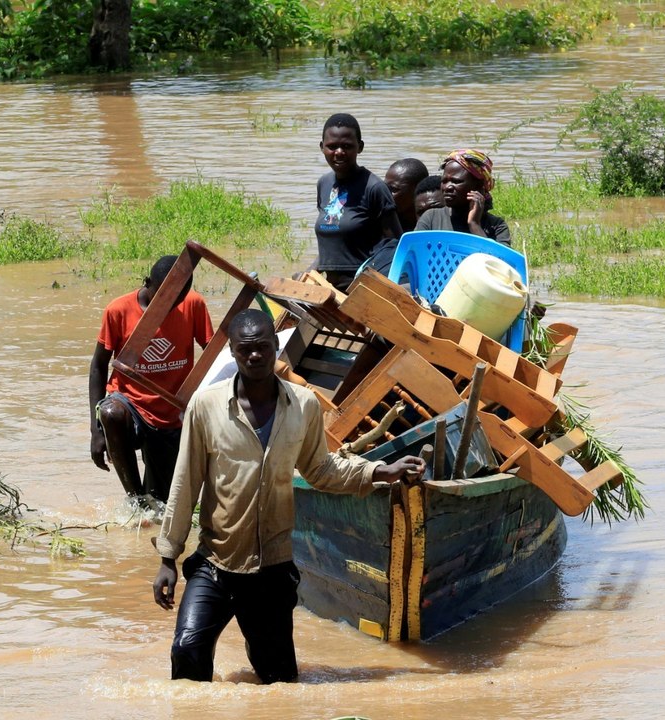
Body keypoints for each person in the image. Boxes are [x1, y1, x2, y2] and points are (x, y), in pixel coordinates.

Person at [152, 309, 425, 684]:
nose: (254, 356)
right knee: (187, 653)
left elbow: (322, 470)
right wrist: (168, 557)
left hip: (271, 568)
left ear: (275, 346)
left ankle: (258, 650)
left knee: (279, 680)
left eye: (262, 347)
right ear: (232, 351)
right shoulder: (207, 406)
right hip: (216, 563)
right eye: (245, 349)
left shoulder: (304, 405)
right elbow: (186, 482)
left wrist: (379, 471)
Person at [88, 255, 214, 504]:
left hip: (171, 414)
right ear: (148, 283)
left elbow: (213, 355)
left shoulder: (193, 304)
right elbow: (98, 367)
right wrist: (95, 430)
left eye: (177, 301)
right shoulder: (119, 310)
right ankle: (134, 501)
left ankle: (148, 503)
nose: (169, 307)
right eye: (164, 299)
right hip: (131, 405)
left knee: (161, 502)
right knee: (112, 412)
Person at [315, 113, 403, 292]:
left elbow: (394, 246)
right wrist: (311, 273)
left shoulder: (374, 188)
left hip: (363, 287)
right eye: (332, 146)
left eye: (346, 146)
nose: (339, 152)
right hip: (330, 287)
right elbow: (331, 243)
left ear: (360, 147)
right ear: (322, 147)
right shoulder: (324, 184)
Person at [415, 149, 512, 246]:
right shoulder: (431, 218)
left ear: (478, 186)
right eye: (444, 181)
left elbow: (497, 260)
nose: (447, 187)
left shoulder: (496, 226)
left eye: (456, 181)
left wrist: (474, 224)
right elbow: (414, 251)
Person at [383, 158, 430, 233]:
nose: (386, 193)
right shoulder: (381, 221)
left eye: (394, 189)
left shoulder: (433, 222)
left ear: (417, 190)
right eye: (385, 188)